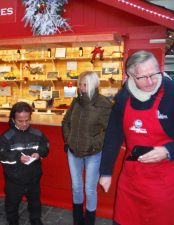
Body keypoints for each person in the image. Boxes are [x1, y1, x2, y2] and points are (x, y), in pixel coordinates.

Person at [99, 50, 174, 225]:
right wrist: (106, 172)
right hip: (132, 176)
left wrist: (167, 150)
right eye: (142, 77)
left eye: (154, 74)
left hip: (165, 177)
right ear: (131, 76)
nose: (150, 82)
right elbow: (113, 136)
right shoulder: (124, 97)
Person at [62, 71, 113, 225]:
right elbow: (66, 122)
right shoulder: (76, 102)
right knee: (76, 187)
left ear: (94, 84)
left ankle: (89, 222)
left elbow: (110, 131)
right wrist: (69, 139)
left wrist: (93, 144)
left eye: (85, 85)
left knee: (90, 190)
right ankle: (78, 221)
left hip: (93, 154)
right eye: (80, 84)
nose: (82, 88)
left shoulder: (104, 104)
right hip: (73, 152)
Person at [0, 102, 49, 225]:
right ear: (13, 120)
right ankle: (13, 220)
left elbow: (45, 147)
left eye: (27, 120)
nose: (24, 124)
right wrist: (18, 158)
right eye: (20, 121)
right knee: (12, 203)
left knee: (35, 202)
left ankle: (36, 219)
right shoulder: (6, 137)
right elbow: (2, 156)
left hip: (33, 177)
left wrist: (39, 153)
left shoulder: (38, 134)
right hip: (14, 179)